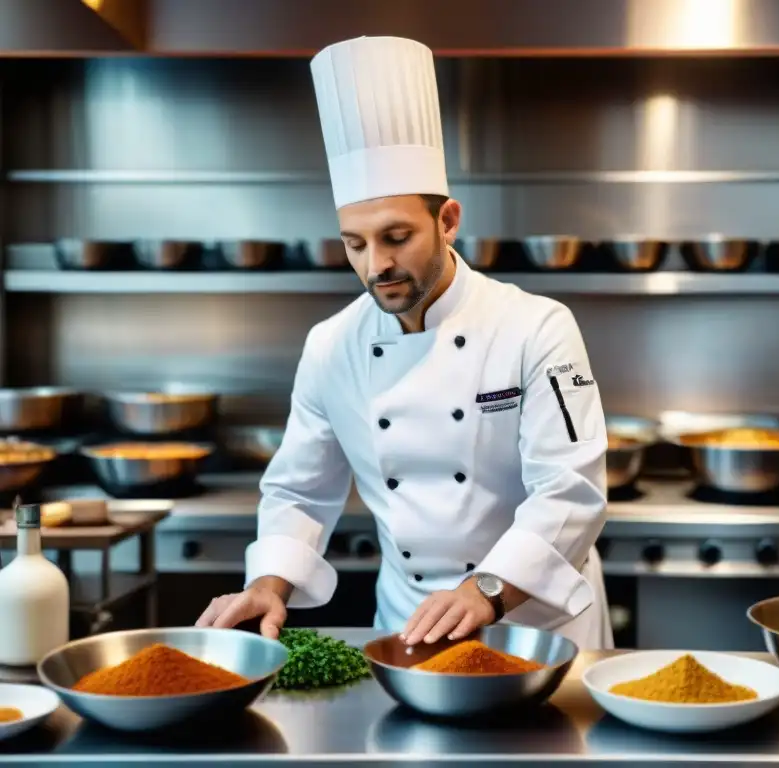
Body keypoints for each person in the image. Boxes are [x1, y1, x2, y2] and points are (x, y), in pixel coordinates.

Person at [196, 35, 613, 650]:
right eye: (355, 244)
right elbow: (299, 489)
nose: (376, 265)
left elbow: (571, 487)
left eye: (397, 236)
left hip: (537, 623)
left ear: (448, 221)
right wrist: (270, 580)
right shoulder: (330, 346)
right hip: (408, 625)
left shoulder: (536, 327)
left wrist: (488, 590)